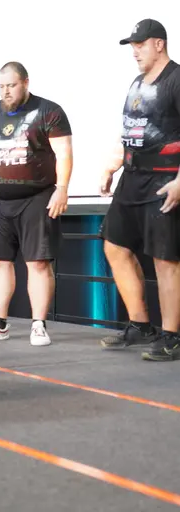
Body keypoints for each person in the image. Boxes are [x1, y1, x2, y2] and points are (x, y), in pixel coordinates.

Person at [0, 61, 73, 345]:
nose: (6, 91)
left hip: (36, 198)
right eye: (1, 86)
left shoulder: (48, 111)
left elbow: (63, 152)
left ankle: (39, 325)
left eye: (11, 85)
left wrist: (62, 189)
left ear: (25, 82)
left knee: (38, 263)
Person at [99, 19, 180, 361]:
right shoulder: (136, 83)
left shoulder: (176, 79)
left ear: (159, 44)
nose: (135, 51)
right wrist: (111, 166)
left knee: (165, 258)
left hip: (164, 179)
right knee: (114, 246)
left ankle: (173, 337)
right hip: (131, 178)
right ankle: (141, 325)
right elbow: (131, 130)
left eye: (140, 44)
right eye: (132, 45)